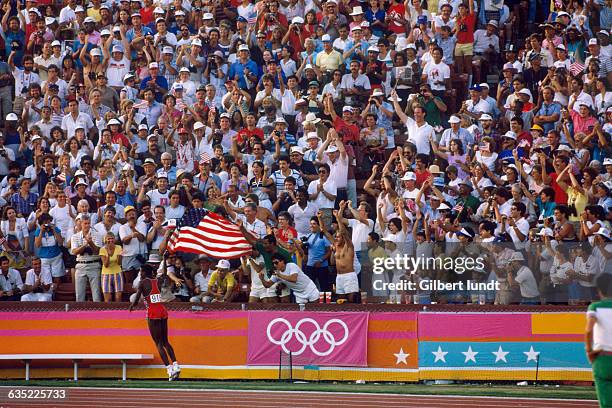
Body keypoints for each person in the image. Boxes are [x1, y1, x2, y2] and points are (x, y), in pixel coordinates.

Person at [129, 263, 181, 381]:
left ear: (144, 272)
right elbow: (164, 273)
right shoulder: (157, 281)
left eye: (141, 271)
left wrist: (132, 306)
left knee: (158, 343)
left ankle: (169, 369)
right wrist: (164, 259)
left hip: (152, 313)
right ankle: (176, 365)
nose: (140, 273)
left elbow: (136, 300)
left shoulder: (142, 283)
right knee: (165, 342)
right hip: (162, 311)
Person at [585, 273, 612, 408]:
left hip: (602, 359)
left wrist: (589, 351)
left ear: (598, 290)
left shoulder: (595, 307)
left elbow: (589, 330)